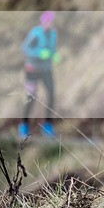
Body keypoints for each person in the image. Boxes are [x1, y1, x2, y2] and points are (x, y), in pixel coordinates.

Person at [19, 10, 59, 139]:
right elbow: (24, 48)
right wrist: (39, 53)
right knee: (31, 97)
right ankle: (24, 125)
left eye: (52, 21)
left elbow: (52, 50)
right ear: (43, 21)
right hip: (32, 69)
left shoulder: (54, 33)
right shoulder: (35, 32)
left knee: (51, 95)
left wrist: (54, 55)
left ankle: (47, 125)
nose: (50, 24)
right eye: (47, 21)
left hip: (46, 69)